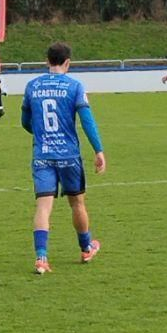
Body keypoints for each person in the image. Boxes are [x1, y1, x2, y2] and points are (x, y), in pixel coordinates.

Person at [21, 41, 106, 275]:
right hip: (69, 155)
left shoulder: (32, 86)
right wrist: (98, 150)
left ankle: (41, 258)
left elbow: (25, 122)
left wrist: (40, 133)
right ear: (67, 63)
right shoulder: (75, 86)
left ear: (47, 61)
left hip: (42, 155)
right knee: (77, 203)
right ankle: (86, 248)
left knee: (43, 206)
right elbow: (87, 121)